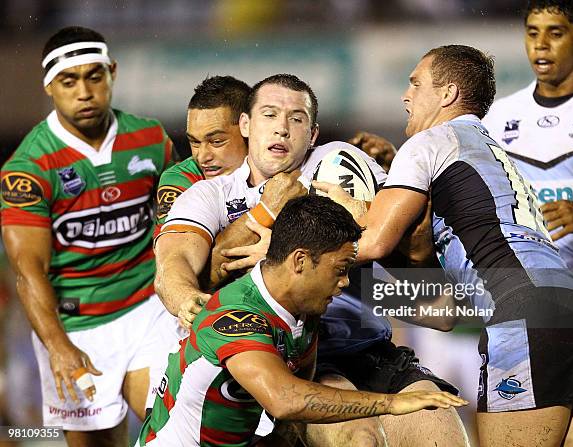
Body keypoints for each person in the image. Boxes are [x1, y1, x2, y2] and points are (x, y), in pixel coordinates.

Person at [314, 44, 573, 447]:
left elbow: (373, 244)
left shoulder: (429, 142)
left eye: (415, 83)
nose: (405, 95)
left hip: (524, 314)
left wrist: (339, 211)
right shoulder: (491, 151)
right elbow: (444, 313)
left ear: (448, 93)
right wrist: (417, 253)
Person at [155, 74, 468, 446]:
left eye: (297, 119)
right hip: (274, 359)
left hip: (366, 350)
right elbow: (173, 265)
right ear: (246, 125)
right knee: (360, 439)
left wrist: (416, 252)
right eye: (270, 115)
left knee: (440, 427)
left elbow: (437, 314)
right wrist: (184, 297)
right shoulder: (212, 195)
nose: (283, 129)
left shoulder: (345, 166)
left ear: (313, 133)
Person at [140, 195, 467, 447]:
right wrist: (392, 404)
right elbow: (286, 400)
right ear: (299, 261)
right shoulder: (236, 316)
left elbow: (289, 418)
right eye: (339, 270)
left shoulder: (303, 314)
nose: (345, 283)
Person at [0, 26, 181, 446]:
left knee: (175, 432)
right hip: (75, 327)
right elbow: (28, 270)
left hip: (147, 309)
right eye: (69, 80)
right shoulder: (28, 168)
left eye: (94, 76)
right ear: (49, 86)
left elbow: (180, 226)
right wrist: (58, 345)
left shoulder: (151, 139)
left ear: (111, 73)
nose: (84, 92)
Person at [483, 0, 573, 310]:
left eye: (555, 33)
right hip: (537, 295)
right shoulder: (500, 116)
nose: (540, 45)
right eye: (532, 33)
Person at [154, 76, 251, 238]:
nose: (202, 157)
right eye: (195, 142)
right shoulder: (181, 178)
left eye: (216, 141)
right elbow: (180, 254)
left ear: (249, 129)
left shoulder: (283, 164)